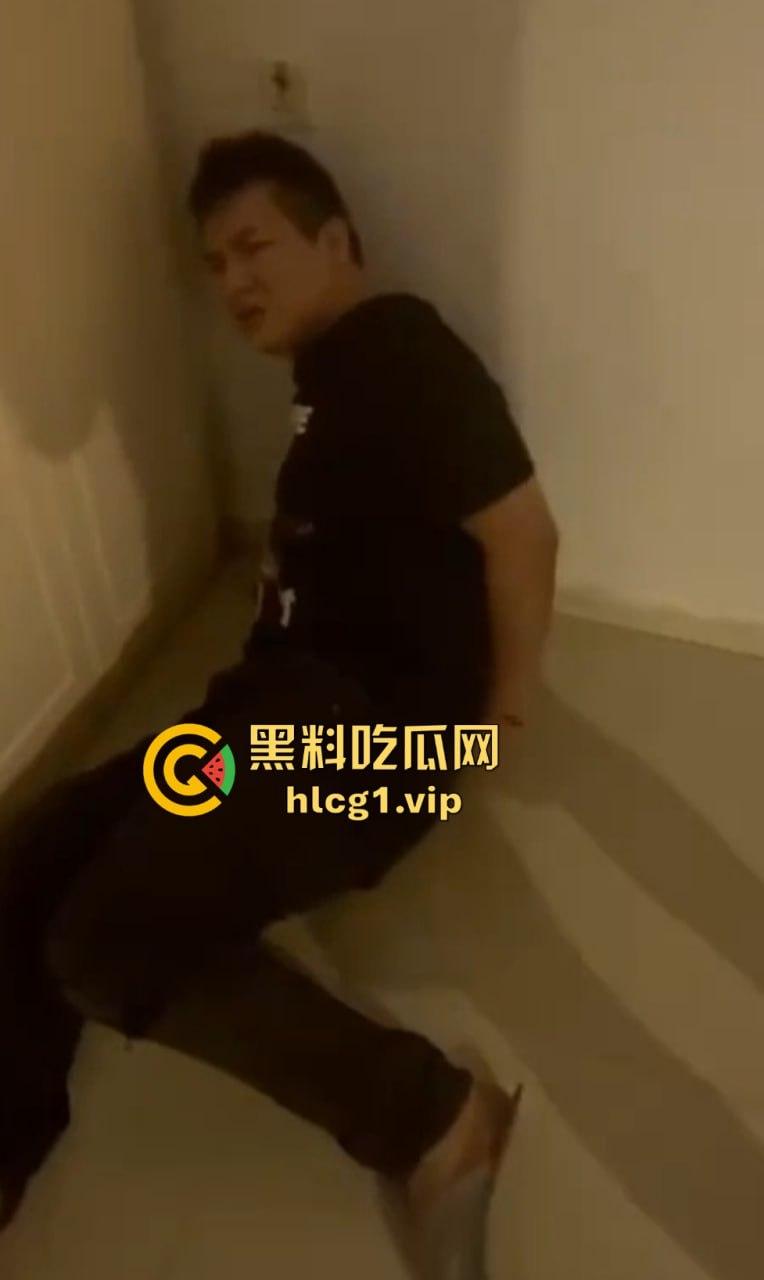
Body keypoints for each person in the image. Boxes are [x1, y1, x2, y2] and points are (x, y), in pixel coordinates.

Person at [0, 131, 558, 1276]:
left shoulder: (398, 346)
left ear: (334, 238)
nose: (231, 281)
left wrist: (495, 721)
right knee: (37, 849)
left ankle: (434, 1117)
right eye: (215, 263)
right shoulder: (328, 389)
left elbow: (523, 532)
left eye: (252, 246)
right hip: (259, 725)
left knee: (102, 942)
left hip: (359, 743)